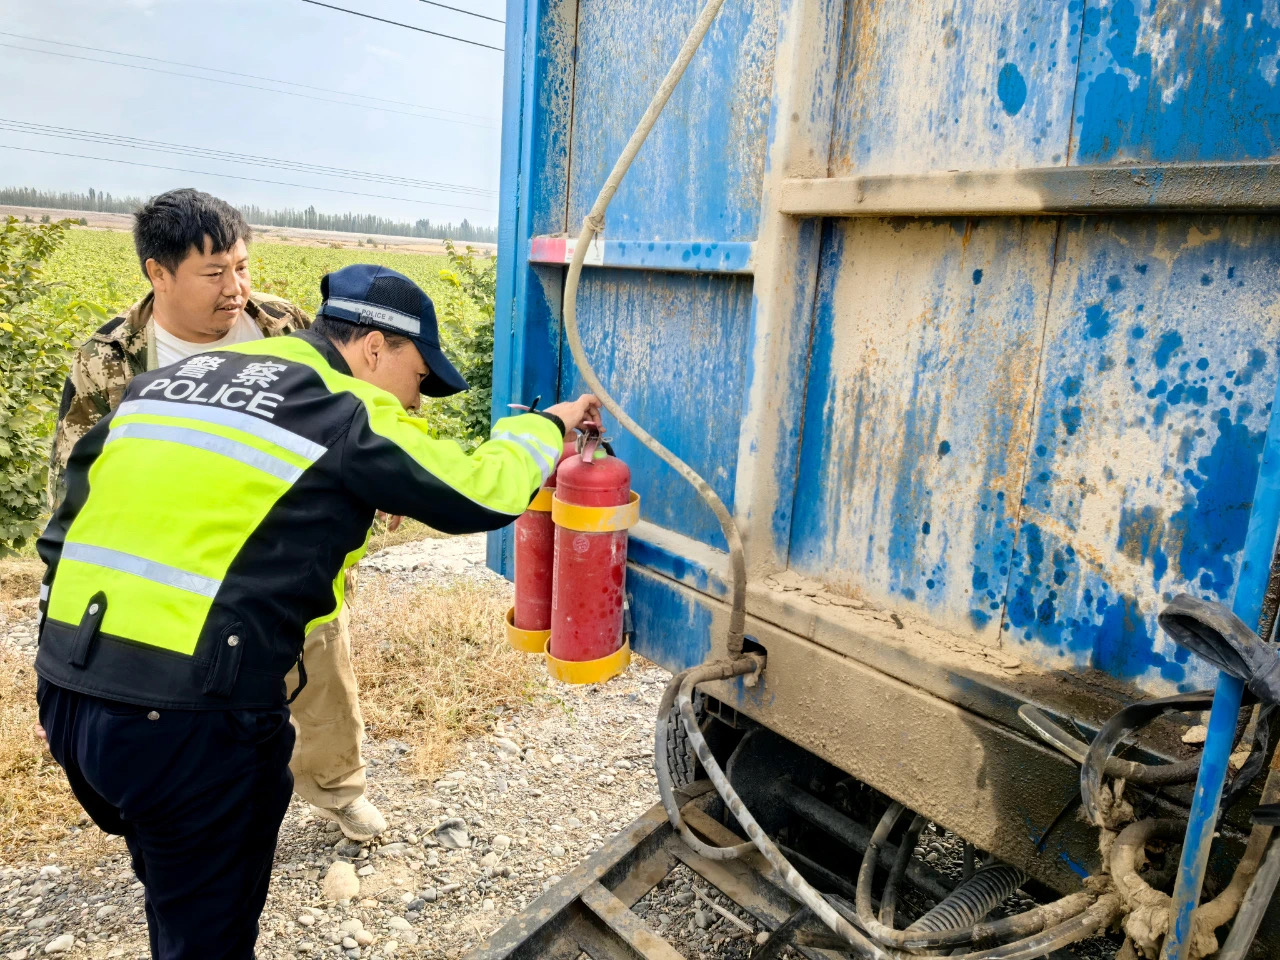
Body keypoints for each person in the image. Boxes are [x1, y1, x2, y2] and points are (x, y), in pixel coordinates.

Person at [35, 260, 601, 959]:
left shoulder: (171, 384)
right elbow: (482, 490)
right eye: (418, 378)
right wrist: (544, 427)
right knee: (207, 931)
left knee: (174, 882)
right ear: (374, 347)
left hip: (68, 692)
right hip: (187, 720)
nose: (415, 403)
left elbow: (69, 524)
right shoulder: (342, 405)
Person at [47, 188, 388, 841]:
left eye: (242, 267)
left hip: (285, 549)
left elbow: (359, 404)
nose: (235, 288)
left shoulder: (281, 325)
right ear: (158, 272)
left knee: (319, 669)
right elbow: (75, 478)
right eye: (213, 273)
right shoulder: (112, 358)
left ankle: (337, 787)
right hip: (170, 566)